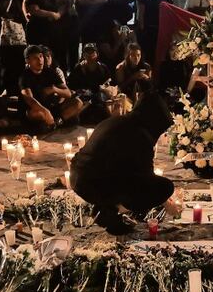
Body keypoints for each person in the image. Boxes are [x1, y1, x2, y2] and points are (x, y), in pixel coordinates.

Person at [70, 91, 176, 235]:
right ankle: (110, 213)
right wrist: (166, 202)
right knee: (163, 187)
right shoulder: (141, 135)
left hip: (78, 178)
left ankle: (105, 207)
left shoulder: (116, 120)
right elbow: (146, 180)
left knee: (125, 178)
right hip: (94, 185)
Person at [19, 44, 84, 128]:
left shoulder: (50, 72)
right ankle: (47, 123)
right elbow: (30, 100)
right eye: (35, 58)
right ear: (28, 60)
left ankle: (57, 123)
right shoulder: (24, 76)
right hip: (36, 109)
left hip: (51, 106)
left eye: (41, 56)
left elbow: (68, 93)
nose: (40, 60)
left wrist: (55, 89)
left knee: (78, 102)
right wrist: (46, 112)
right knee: (38, 114)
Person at [69, 42, 114, 121]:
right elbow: (72, 86)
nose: (90, 55)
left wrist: (104, 88)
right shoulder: (78, 68)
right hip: (84, 98)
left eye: (92, 53)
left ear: (97, 54)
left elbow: (109, 83)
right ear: (83, 55)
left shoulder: (103, 68)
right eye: (87, 53)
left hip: (99, 98)